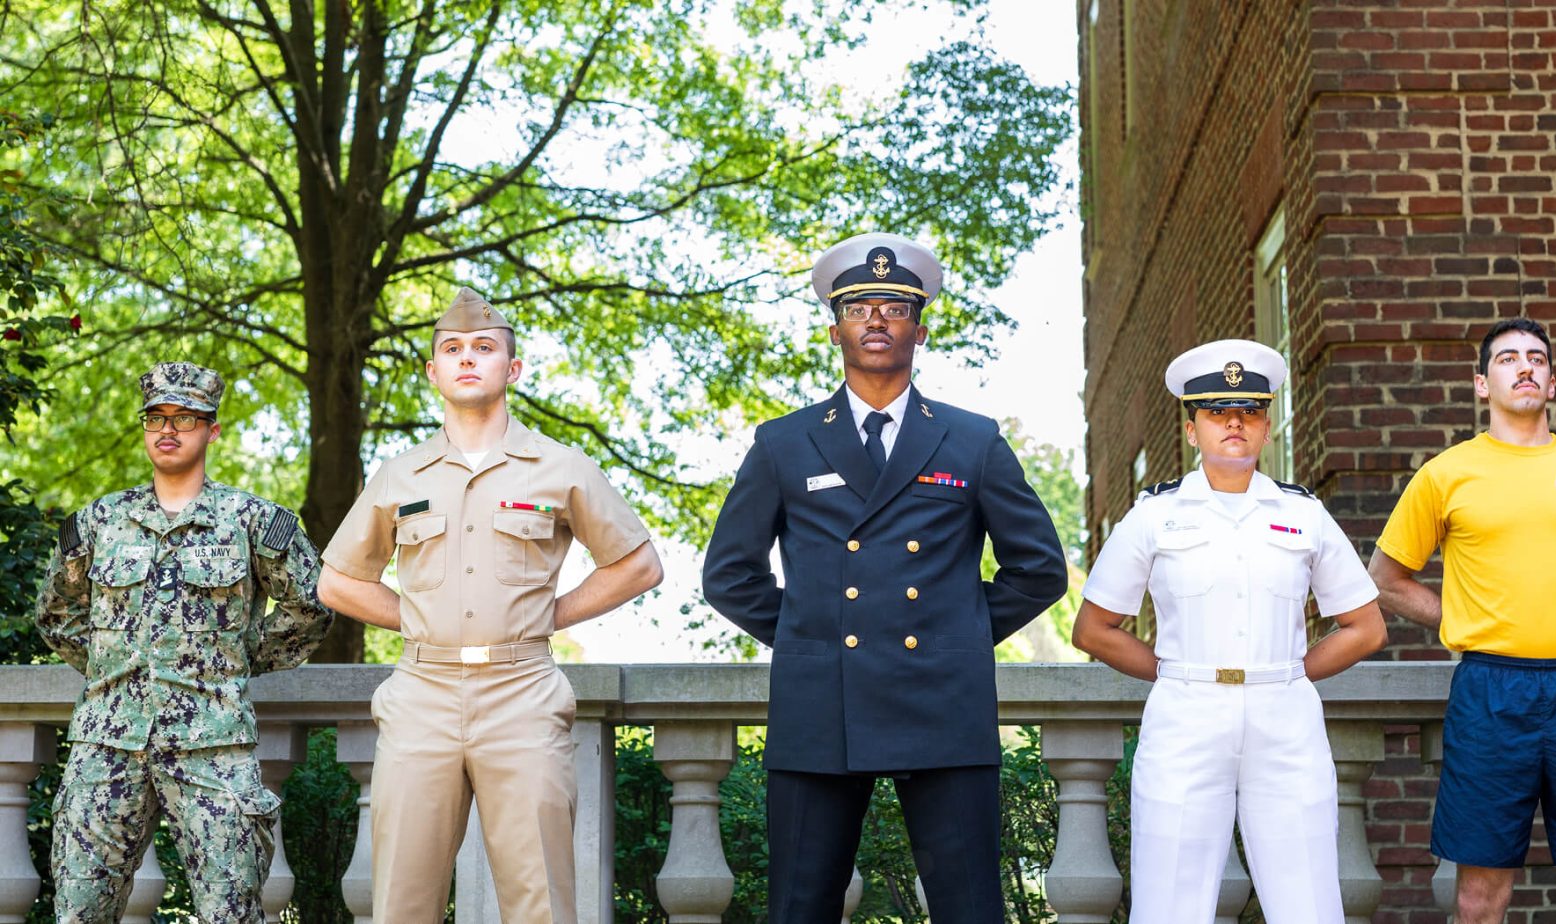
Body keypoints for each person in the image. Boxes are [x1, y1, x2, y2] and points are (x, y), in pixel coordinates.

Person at [702, 232, 1068, 923]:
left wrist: (957, 629)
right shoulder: (783, 442)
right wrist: (811, 632)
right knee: (799, 908)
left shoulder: (972, 439)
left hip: (943, 700)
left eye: (894, 307)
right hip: (820, 706)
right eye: (859, 307)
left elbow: (1040, 568)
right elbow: (728, 575)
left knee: (969, 909)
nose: (876, 318)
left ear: (919, 329)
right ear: (833, 328)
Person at [317, 288, 663, 923]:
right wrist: (418, 620)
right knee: (400, 901)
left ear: (514, 368)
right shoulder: (401, 475)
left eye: (484, 348)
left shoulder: (561, 466)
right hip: (422, 693)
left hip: (522, 692)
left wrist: (551, 616)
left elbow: (638, 564)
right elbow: (338, 582)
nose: (467, 359)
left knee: (542, 903)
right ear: (434, 372)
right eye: (452, 350)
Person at [1071, 338, 1387, 924]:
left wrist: (1289, 674)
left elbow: (1365, 628)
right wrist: (1173, 671)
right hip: (1186, 714)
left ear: (1267, 426)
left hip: (1284, 716)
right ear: (1192, 430)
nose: (1233, 422)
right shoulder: (1153, 516)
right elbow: (1094, 629)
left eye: (1248, 411)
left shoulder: (1303, 514)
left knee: (1309, 904)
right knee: (1169, 903)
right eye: (1216, 412)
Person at [1368, 317, 1556, 924]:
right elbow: (1385, 578)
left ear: (1553, 383)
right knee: (1480, 895)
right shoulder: (1446, 473)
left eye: (1536, 358)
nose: (1525, 367)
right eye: (1507, 359)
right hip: (1488, 693)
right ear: (1482, 384)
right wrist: (1460, 614)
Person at [34, 361, 333, 923]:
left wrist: (236, 659)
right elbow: (56, 613)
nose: (167, 429)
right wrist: (111, 667)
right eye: (156, 417)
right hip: (106, 748)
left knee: (231, 913)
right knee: (79, 913)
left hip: (213, 746)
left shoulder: (253, 521)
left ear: (212, 430)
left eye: (186, 417)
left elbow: (311, 607)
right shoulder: (99, 522)